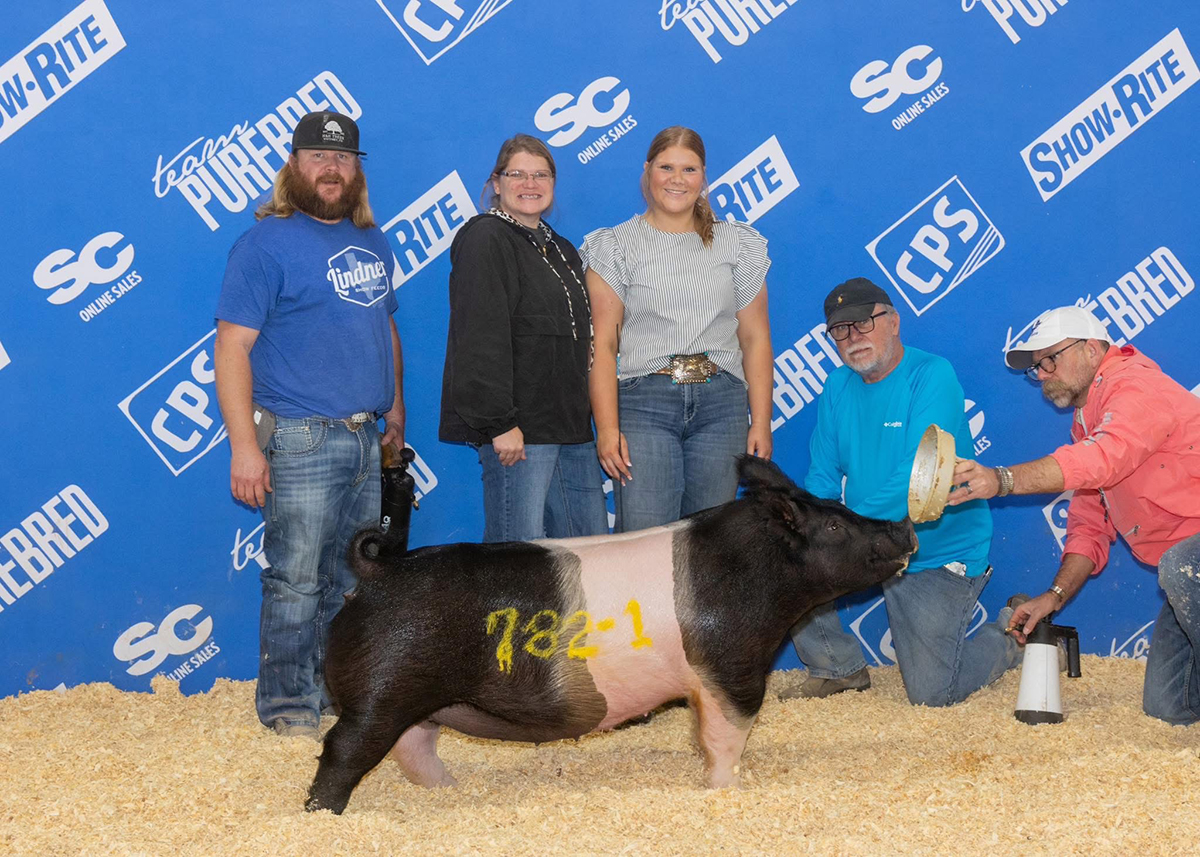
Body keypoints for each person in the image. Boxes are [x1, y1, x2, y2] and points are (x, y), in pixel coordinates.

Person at [214, 111, 404, 738]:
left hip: (363, 435)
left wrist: (394, 407)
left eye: (343, 157)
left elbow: (384, 327)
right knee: (296, 580)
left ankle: (333, 692)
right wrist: (245, 447)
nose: (332, 168)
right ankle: (288, 707)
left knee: (353, 581)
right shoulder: (264, 244)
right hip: (299, 437)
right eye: (319, 156)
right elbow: (232, 346)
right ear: (294, 165)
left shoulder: (372, 240)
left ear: (357, 169)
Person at [950, 305, 1200, 724]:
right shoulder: (1088, 422)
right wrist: (1054, 595)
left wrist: (1002, 480)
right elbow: (1089, 524)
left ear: (1091, 349)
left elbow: (1103, 458)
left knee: (1180, 567)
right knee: (1168, 706)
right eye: (1037, 367)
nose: (1043, 374)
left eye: (1051, 358)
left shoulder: (1134, 385)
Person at [782, 278, 1020, 705]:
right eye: (840, 330)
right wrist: (814, 530)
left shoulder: (932, 374)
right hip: (869, 544)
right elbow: (822, 474)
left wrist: (850, 532)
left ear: (893, 321)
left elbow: (921, 474)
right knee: (789, 548)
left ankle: (1012, 638)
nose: (853, 337)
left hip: (934, 553)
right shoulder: (837, 385)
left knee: (933, 694)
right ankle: (837, 667)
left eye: (863, 323)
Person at [582, 126, 774, 532]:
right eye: (666, 167)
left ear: (703, 177)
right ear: (647, 171)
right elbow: (604, 345)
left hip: (723, 408)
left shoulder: (737, 243)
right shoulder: (615, 245)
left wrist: (760, 421)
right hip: (644, 406)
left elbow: (755, 338)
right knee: (644, 541)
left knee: (711, 544)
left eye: (689, 169)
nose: (677, 179)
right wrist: (608, 428)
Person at [439, 134, 606, 542]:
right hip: (521, 431)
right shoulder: (486, 237)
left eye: (541, 175)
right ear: (496, 183)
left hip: (571, 428)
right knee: (517, 559)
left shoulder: (561, 249)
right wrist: (500, 423)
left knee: (588, 552)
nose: (530, 184)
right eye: (517, 174)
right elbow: (479, 334)